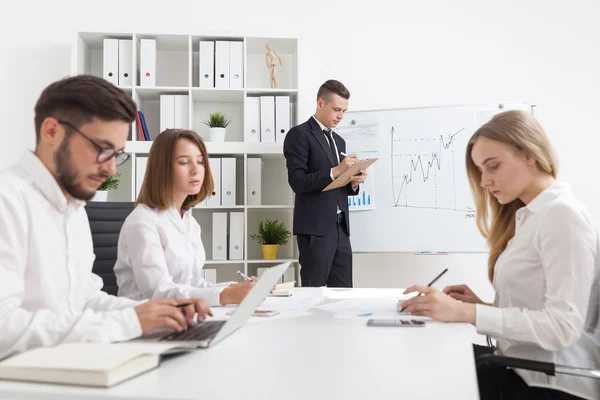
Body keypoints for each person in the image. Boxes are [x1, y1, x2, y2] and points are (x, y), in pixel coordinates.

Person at [0, 75, 211, 361]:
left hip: (70, 365)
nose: (111, 169)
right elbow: (4, 328)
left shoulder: (72, 209)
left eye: (117, 154)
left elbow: (85, 299)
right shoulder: (8, 201)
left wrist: (150, 313)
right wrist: (129, 323)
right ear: (52, 132)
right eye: (102, 150)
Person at [400, 110, 599, 400]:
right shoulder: (530, 216)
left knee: (423, 372)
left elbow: (563, 327)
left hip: (551, 383)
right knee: (428, 355)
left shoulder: (562, 216)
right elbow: (537, 305)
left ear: (529, 154)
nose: (483, 181)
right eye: (481, 170)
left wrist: (468, 312)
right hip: (522, 365)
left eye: (492, 166)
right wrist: (482, 306)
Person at [114, 129, 255, 306]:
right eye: (184, 162)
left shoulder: (189, 222)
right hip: (147, 322)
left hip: (182, 317)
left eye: (200, 161)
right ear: (162, 169)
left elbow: (193, 285)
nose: (196, 170)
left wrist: (236, 288)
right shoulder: (142, 222)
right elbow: (158, 291)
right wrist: (224, 295)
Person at [283, 79, 366, 288]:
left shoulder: (339, 141)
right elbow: (297, 182)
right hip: (315, 231)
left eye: (344, 111)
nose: (341, 116)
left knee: (344, 294)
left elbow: (338, 185)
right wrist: (337, 170)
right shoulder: (299, 135)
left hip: (341, 229)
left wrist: (353, 182)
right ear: (320, 103)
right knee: (314, 294)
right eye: (337, 109)